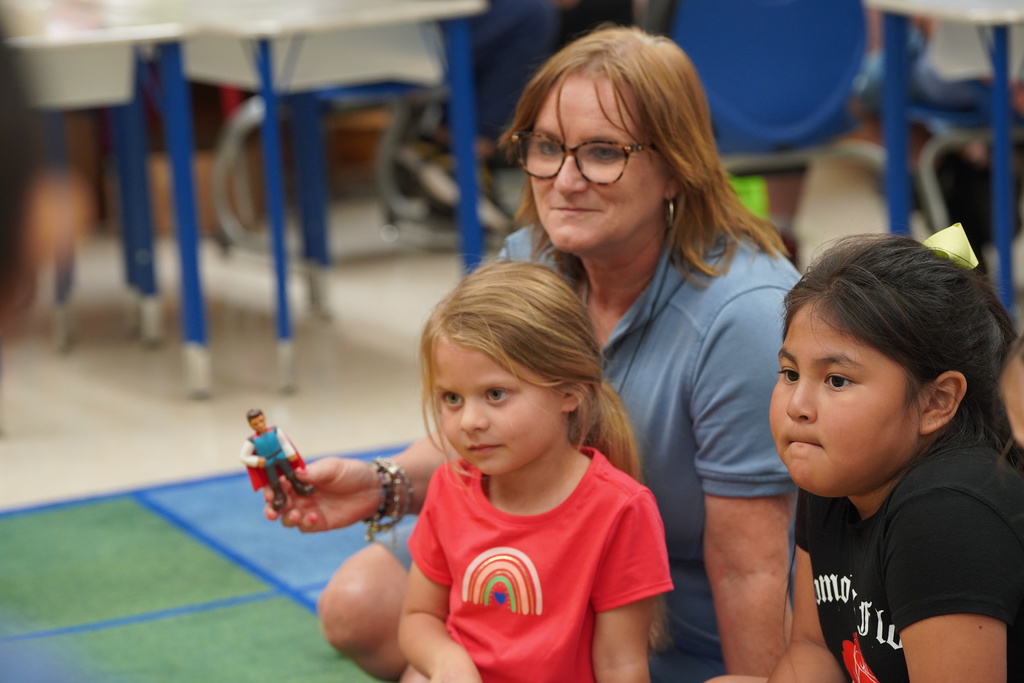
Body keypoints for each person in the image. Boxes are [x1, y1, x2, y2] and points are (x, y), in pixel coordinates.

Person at [270, 26, 800, 683]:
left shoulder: (742, 315)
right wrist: (384, 484)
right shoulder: (531, 257)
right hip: (536, 577)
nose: (566, 180)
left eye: (603, 152)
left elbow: (750, 562)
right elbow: (493, 427)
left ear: (675, 167)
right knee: (359, 605)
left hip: (670, 617)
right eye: (547, 147)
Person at [712, 226, 1024, 683]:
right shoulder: (837, 470)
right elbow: (813, 647)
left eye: (837, 380)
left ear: (936, 402)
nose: (798, 406)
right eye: (790, 372)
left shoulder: (948, 514)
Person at [398, 261, 672, 682]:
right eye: (452, 397)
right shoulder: (448, 487)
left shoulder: (620, 511)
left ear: (569, 393)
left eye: (495, 394)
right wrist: (446, 661)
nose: (469, 420)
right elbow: (418, 617)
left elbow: (621, 664)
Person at [241, 408, 314, 512]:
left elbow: (284, 442)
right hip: (268, 462)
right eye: (256, 424)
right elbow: (243, 457)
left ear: (265, 419)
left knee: (290, 473)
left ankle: (297, 485)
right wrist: (256, 461)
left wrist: (291, 453)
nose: (260, 425)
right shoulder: (251, 441)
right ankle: (279, 495)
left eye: (261, 421)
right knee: (273, 480)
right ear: (251, 425)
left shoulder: (275, 430)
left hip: (281, 456)